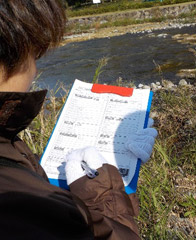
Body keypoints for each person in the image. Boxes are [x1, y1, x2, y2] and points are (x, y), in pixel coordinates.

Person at [0, 1, 157, 239]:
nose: (34, 72)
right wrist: (105, 194)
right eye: (34, 55)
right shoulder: (17, 205)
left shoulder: (7, 146)